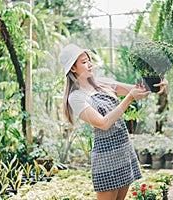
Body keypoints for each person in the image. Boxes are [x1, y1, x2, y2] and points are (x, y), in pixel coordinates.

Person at [59, 44, 167, 200]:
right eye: (84, 62)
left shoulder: (103, 84)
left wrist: (160, 82)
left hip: (123, 149)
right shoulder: (76, 97)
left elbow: (140, 91)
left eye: (89, 60)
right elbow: (103, 123)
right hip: (105, 157)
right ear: (73, 69)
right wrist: (129, 98)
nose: (90, 64)